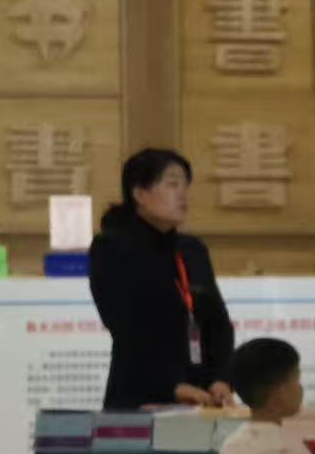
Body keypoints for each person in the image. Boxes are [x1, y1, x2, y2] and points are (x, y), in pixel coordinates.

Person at [90, 148, 234, 410]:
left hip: (201, 397)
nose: (183, 194)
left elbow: (218, 324)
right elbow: (126, 329)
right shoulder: (112, 247)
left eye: (185, 185)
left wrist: (220, 379)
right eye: (172, 184)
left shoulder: (193, 250)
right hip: (141, 395)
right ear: (140, 194)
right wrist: (170, 386)